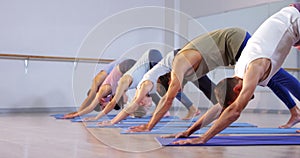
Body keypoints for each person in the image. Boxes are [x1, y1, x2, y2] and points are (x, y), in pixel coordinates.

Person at [171, 3, 300, 144]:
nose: (242, 103)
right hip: (292, 22)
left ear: (237, 89)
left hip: (295, 17)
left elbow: (235, 110)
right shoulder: (239, 72)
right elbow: (220, 107)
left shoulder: (253, 69)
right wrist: (189, 132)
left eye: (235, 100)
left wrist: (203, 138)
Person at [127, 27, 251, 132]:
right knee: (228, 97)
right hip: (232, 53)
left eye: (175, 89)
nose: (179, 92)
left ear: (171, 81)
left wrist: (149, 126)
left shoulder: (179, 66)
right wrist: (191, 131)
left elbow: (167, 99)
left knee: (258, 84)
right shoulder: (186, 73)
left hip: (235, 40)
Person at [96, 49, 203, 126]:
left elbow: (127, 105)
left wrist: (111, 121)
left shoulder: (138, 85)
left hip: (151, 57)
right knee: (170, 88)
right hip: (170, 59)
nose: (147, 104)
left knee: (170, 88)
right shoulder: (145, 85)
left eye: (144, 105)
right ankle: (192, 108)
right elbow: (132, 106)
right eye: (146, 106)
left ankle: (192, 109)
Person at [84, 49, 164, 120]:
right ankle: (160, 109)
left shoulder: (106, 88)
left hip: (128, 65)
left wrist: (95, 117)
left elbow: (113, 103)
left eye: (103, 106)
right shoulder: (140, 85)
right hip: (139, 64)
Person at [63, 58, 137, 119]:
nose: (104, 106)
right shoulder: (109, 91)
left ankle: (127, 112)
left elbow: (90, 102)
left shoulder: (100, 84)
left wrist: (77, 113)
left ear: (101, 100)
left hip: (126, 65)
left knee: (121, 97)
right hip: (126, 69)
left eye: (102, 105)